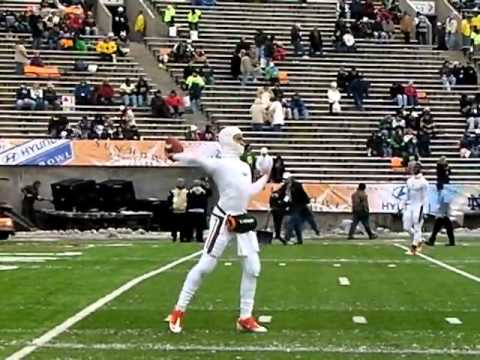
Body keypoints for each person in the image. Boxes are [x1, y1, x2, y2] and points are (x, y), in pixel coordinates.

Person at [167, 126, 272, 334]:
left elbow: (249, 191)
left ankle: (245, 316)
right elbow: (197, 160)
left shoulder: (243, 166)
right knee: (205, 266)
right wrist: (176, 155)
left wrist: (266, 175)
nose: (242, 142)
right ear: (228, 140)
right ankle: (178, 310)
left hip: (241, 218)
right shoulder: (220, 164)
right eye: (238, 138)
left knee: (253, 268)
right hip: (223, 219)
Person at [402, 162, 429, 256]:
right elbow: (406, 194)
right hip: (410, 205)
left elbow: (425, 197)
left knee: (417, 227)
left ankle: (413, 248)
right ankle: (419, 240)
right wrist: (402, 205)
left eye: (417, 167)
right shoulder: (409, 180)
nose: (414, 169)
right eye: (414, 167)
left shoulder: (424, 182)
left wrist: (425, 210)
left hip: (419, 206)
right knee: (406, 227)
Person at [186, 178, 212, 243]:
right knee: (190, 226)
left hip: (200, 210)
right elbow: (187, 196)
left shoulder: (203, 189)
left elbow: (209, 194)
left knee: (199, 227)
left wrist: (207, 188)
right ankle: (190, 237)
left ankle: (198, 238)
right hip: (192, 210)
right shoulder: (191, 189)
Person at [168, 178, 189, 242]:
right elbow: (169, 200)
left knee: (183, 226)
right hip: (175, 211)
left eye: (181, 182)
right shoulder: (173, 191)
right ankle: (174, 237)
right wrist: (170, 206)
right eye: (179, 182)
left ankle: (182, 238)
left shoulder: (187, 192)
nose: (180, 183)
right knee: (174, 226)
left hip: (183, 211)